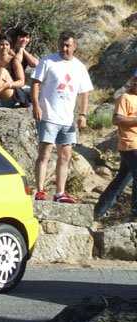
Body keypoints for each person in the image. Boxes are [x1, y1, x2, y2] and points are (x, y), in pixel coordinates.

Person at [32, 31, 93, 203]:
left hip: (67, 120)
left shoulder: (79, 67)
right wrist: (36, 105)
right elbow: (36, 83)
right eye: (62, 44)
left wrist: (82, 114)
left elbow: (84, 93)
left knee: (65, 156)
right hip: (49, 115)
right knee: (44, 154)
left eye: (68, 45)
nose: (64, 48)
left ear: (75, 46)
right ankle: (40, 191)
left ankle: (60, 193)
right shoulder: (48, 61)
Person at [94, 71, 137, 221]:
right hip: (130, 144)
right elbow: (117, 119)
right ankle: (135, 214)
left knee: (122, 179)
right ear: (132, 81)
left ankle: (99, 210)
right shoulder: (125, 98)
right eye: (135, 80)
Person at [11, 27, 39, 106]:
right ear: (16, 38)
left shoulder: (24, 51)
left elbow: (35, 63)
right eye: (22, 37)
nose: (25, 40)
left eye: (27, 38)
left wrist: (23, 50)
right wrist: (21, 50)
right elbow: (17, 61)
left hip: (21, 84)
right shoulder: (10, 50)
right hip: (11, 81)